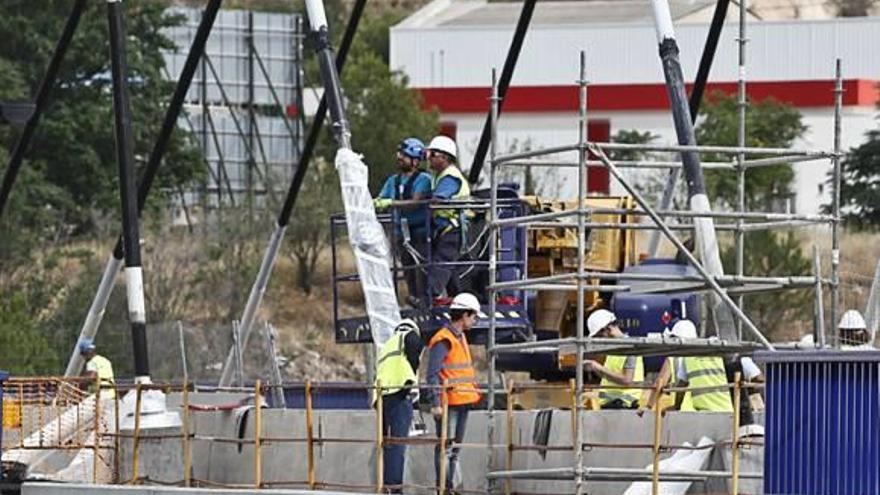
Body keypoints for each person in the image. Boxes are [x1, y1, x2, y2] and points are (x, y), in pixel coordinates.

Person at [426, 292, 482, 492]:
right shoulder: (444, 339)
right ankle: (444, 488)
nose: (475, 320)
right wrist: (435, 403)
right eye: (474, 316)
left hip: (463, 400)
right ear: (465, 315)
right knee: (446, 449)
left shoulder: (460, 338)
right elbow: (432, 374)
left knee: (454, 450)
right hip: (449, 403)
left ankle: (452, 488)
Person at [374, 138, 434, 307]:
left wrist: (391, 203)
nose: (399, 157)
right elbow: (381, 198)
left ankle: (424, 301)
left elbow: (415, 202)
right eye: (399, 154)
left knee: (420, 269)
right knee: (407, 268)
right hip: (401, 233)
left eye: (404, 155)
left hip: (420, 234)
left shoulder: (424, 180)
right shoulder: (393, 181)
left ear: (415, 161)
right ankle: (413, 297)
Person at [374, 318, 424, 493]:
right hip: (399, 392)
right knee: (398, 444)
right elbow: (415, 345)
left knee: (387, 444)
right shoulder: (408, 335)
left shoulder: (387, 345)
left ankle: (387, 485)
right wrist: (412, 376)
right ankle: (394, 488)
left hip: (382, 397)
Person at [642, 320, 732, 413]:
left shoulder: (676, 358)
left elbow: (660, 383)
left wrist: (648, 406)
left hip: (684, 413)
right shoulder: (714, 355)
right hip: (712, 409)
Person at [426, 135, 471, 298]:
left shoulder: (450, 177)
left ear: (444, 157)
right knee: (451, 270)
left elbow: (438, 199)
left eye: (432, 154)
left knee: (442, 263)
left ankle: (429, 297)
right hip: (446, 229)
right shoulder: (441, 176)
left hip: (452, 229)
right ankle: (459, 299)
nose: (428, 158)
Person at [585, 309, 644, 410]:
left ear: (608, 330)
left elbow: (627, 380)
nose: (599, 339)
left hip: (623, 405)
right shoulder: (613, 348)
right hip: (611, 404)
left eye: (599, 336)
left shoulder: (630, 346)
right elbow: (609, 376)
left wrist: (598, 367)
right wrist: (595, 369)